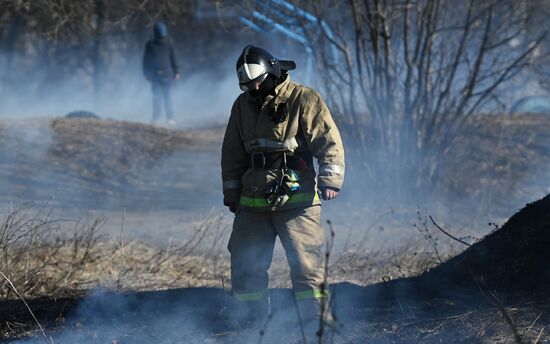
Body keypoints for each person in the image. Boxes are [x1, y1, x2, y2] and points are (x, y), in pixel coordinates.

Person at [221, 45, 345, 335]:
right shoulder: (242, 106)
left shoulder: (304, 98)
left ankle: (316, 329)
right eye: (248, 85)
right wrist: (231, 191)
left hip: (297, 201)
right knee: (245, 264)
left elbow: (329, 142)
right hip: (252, 202)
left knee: (307, 268)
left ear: (273, 71)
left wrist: (330, 179)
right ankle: (250, 326)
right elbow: (232, 153)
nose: (254, 88)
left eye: (258, 81)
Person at [142, 22, 179, 125]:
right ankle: (166, 118)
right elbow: (174, 58)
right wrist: (176, 71)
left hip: (160, 76)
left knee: (159, 98)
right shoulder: (166, 43)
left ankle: (159, 118)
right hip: (163, 75)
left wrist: (146, 74)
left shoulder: (150, 44)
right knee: (163, 97)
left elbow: (145, 62)